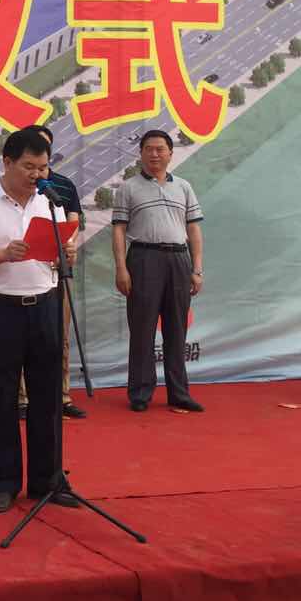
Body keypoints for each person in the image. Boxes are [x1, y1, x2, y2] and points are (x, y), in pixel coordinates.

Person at [0, 129, 77, 513]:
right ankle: (5, 483)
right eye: (29, 167)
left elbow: (57, 255)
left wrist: (66, 253)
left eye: (43, 167)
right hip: (2, 309)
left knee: (47, 399)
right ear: (7, 162)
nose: (37, 175)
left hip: (45, 304)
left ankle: (47, 480)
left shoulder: (50, 202)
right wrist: (3, 254)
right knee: (4, 398)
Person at [112, 130, 205, 413]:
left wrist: (197, 268)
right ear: (141, 153)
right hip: (143, 258)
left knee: (177, 329)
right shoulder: (128, 188)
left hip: (178, 259)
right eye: (149, 149)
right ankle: (140, 393)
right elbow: (119, 230)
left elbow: (193, 229)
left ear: (170, 153)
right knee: (143, 329)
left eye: (160, 149)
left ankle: (179, 393)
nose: (154, 154)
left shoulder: (184, 187)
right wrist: (121, 268)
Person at [23, 123, 86, 420]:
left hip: (58, 271)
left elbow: (73, 226)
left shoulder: (63, 186)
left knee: (59, 337)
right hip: (24, 274)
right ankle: (23, 398)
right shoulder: (15, 188)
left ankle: (62, 395)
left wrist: (68, 251)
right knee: (24, 340)